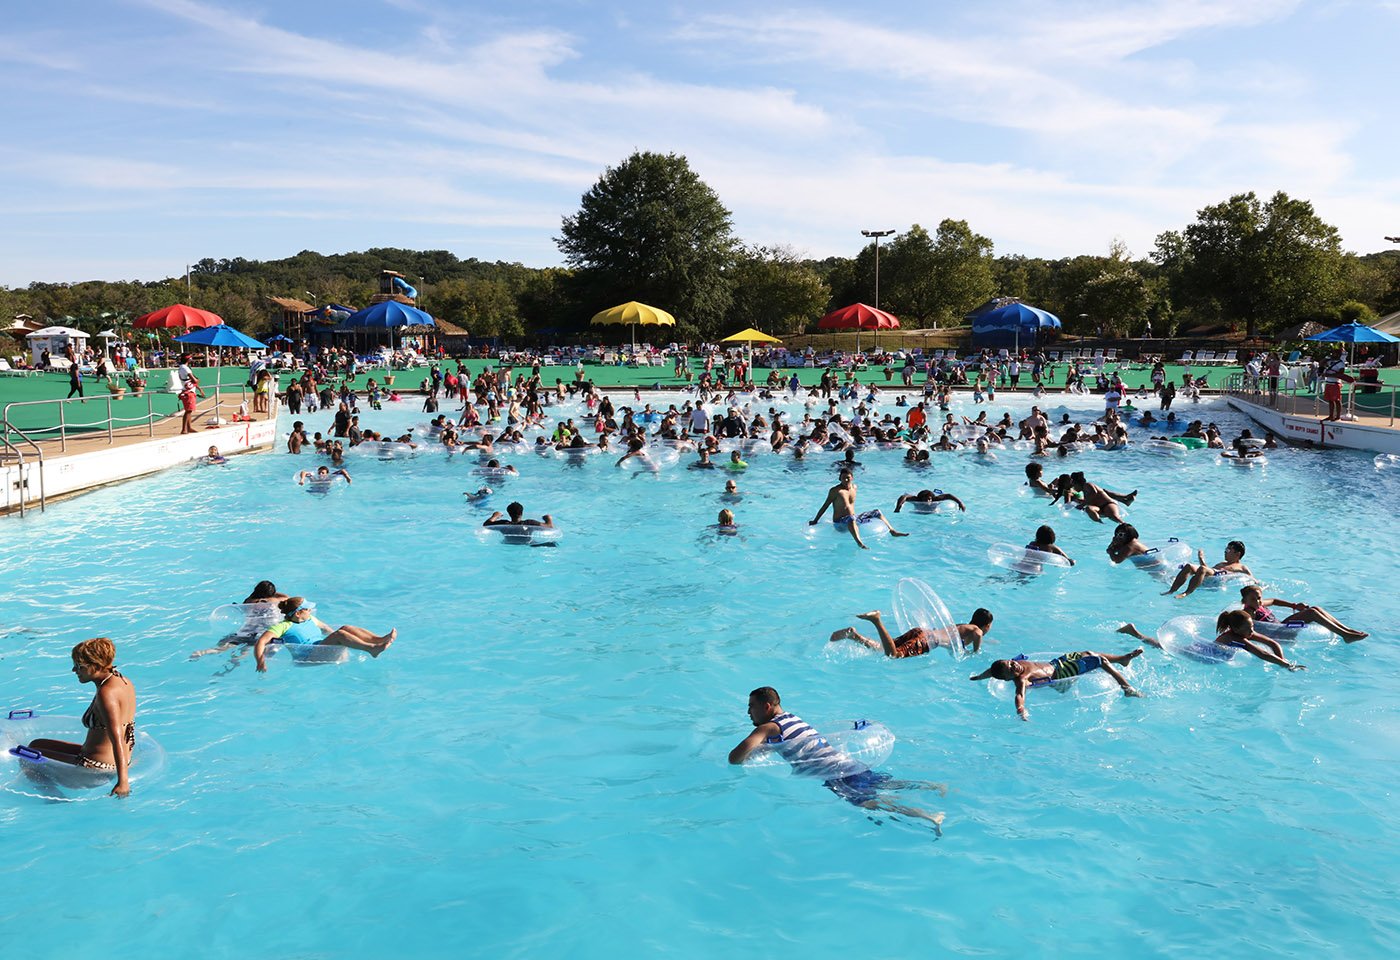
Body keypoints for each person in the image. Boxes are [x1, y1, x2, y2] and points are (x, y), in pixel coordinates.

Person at [727, 687, 944, 829]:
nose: (748, 713)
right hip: (847, 762)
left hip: (836, 774)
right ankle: (933, 787)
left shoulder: (768, 727)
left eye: (751, 707)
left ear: (766, 707)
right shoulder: (791, 719)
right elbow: (787, 744)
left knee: (870, 803)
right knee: (885, 783)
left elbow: (735, 757)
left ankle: (929, 816)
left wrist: (744, 758)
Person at [25, 637, 136, 796]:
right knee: (35, 744)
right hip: (107, 759)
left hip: (96, 768)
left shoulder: (107, 693)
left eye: (79, 666)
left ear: (96, 666)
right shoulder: (122, 681)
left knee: (27, 758)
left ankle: (53, 799)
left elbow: (116, 735)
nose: (74, 670)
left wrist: (123, 781)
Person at [969, 649, 1144, 721]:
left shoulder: (1014, 664)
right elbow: (1019, 695)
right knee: (1098, 660)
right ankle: (1126, 688)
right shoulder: (1022, 678)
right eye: (1011, 669)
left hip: (1056, 663)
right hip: (1061, 675)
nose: (1014, 665)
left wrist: (978, 677)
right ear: (1009, 678)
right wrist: (1021, 711)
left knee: (1088, 653)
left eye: (1010, 663)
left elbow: (992, 671)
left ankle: (1121, 659)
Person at [253, 597, 396, 672]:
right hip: (307, 658)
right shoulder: (283, 626)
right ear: (298, 613)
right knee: (340, 634)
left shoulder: (310, 618)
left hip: (319, 648)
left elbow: (327, 629)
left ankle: (379, 639)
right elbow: (261, 641)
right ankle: (372, 648)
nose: (310, 610)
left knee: (345, 628)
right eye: (307, 609)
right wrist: (260, 661)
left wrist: (348, 638)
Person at [829, 608, 993, 657]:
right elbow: (978, 635)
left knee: (884, 648)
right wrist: (975, 653)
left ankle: (854, 636)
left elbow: (949, 642)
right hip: (927, 641)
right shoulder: (977, 631)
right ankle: (877, 621)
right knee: (893, 656)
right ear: (986, 625)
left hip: (921, 632)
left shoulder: (962, 626)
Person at [809, 469, 908, 549]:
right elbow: (825, 506)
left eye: (848, 478)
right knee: (851, 518)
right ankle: (859, 542)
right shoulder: (836, 491)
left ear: (852, 478)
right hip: (840, 522)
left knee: (877, 512)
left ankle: (892, 531)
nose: (846, 480)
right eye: (843, 478)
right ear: (839, 478)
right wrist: (815, 520)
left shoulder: (854, 487)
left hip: (854, 518)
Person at [1237, 584, 1366, 642]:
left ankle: (1347, 630)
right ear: (1245, 601)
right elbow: (1244, 627)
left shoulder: (1259, 604)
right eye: (1254, 599)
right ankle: (1345, 635)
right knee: (1311, 613)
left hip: (1282, 626)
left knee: (1316, 608)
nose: (1258, 601)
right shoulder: (1248, 612)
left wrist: (1294, 605)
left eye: (1259, 597)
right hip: (1279, 633)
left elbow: (1274, 600)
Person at [1162, 540, 1250, 598]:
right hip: (1212, 575)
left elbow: (1252, 579)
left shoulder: (1241, 567)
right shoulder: (1222, 563)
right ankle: (1172, 590)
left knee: (1203, 569)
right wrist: (1201, 559)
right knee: (1189, 566)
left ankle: (1186, 593)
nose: (1225, 551)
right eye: (1225, 549)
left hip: (1218, 579)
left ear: (1237, 554)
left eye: (1228, 550)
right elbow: (1207, 571)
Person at [1320, 349, 1352, 422]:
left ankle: (1337, 416)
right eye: (1332, 353)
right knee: (1330, 400)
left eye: (1334, 353)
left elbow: (1340, 374)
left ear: (1338, 355)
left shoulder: (1341, 364)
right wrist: (1327, 358)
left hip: (1335, 383)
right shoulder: (1330, 361)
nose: (1332, 354)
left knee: (1337, 400)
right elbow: (1321, 363)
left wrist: (1329, 375)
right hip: (1328, 382)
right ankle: (1331, 415)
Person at [484, 501, 554, 529]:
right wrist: (548, 518)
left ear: (509, 514)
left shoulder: (504, 524)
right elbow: (549, 526)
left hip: (509, 544)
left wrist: (495, 516)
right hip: (527, 544)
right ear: (521, 513)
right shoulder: (529, 523)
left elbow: (486, 524)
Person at [894, 489, 966, 513]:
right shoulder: (917, 500)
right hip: (919, 513)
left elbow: (948, 495)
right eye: (925, 499)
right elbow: (904, 497)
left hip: (934, 512)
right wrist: (898, 507)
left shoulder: (935, 499)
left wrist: (960, 503)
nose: (928, 501)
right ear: (921, 498)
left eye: (929, 498)